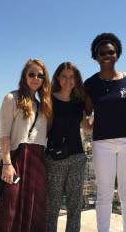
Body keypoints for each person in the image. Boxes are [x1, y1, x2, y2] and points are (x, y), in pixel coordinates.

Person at [84, 33, 126, 232]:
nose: (107, 56)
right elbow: (85, 112)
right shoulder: (91, 84)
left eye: (111, 52)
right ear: (96, 56)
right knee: (104, 194)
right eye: (102, 53)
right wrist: (88, 126)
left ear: (117, 54)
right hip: (102, 144)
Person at [0, 59, 52, 232]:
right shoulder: (12, 98)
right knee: (11, 207)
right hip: (18, 159)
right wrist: (7, 164)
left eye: (40, 75)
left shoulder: (42, 105)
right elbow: (4, 136)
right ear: (24, 76)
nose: (36, 78)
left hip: (38, 162)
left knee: (35, 209)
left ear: (44, 79)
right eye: (31, 74)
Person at [45, 62, 91, 232]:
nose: (68, 80)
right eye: (64, 76)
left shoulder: (79, 101)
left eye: (72, 77)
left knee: (74, 207)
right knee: (52, 207)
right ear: (58, 77)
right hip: (54, 159)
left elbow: (86, 127)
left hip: (77, 158)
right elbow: (44, 128)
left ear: (76, 79)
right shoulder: (49, 100)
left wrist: (104, 118)